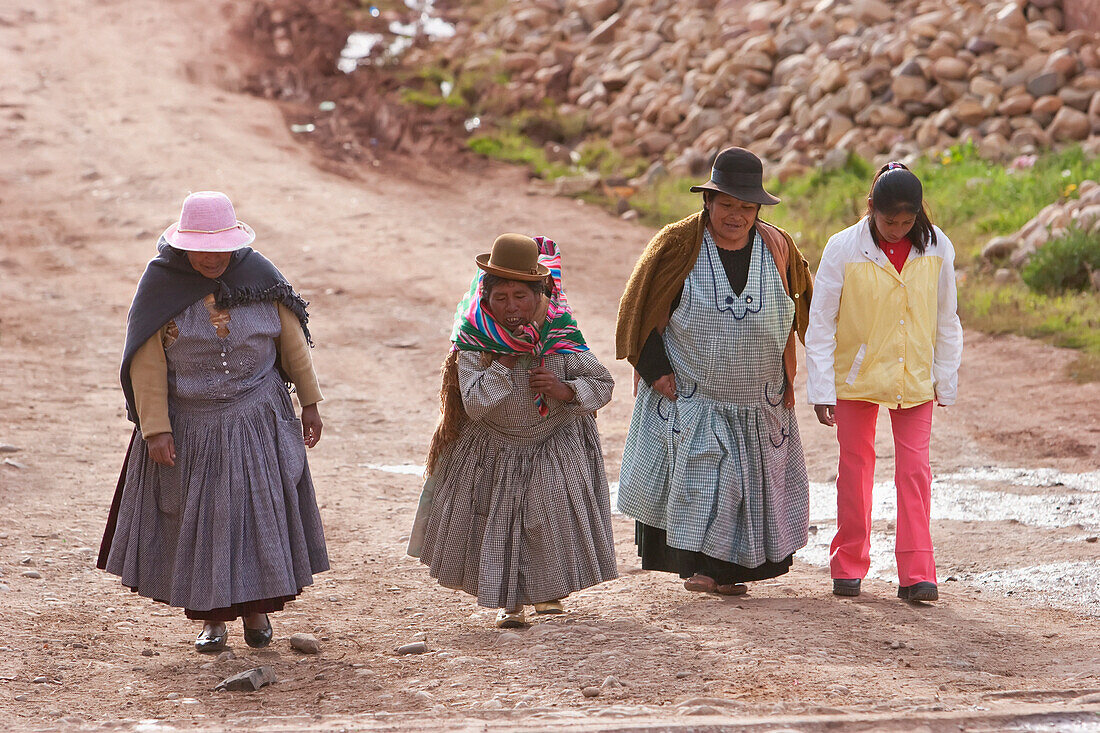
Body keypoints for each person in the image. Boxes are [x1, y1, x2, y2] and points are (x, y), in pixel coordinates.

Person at [97, 191, 329, 651]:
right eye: (201, 248)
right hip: (193, 428)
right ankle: (213, 621)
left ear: (235, 243)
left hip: (257, 421)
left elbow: (292, 345)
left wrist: (310, 402)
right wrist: (155, 428)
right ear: (184, 246)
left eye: (220, 247)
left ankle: (257, 611)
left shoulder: (260, 278)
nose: (212, 258)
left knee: (259, 515)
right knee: (206, 523)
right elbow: (147, 366)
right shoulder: (161, 287)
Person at [615, 147, 813, 597]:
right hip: (691, 393)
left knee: (744, 489)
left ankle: (726, 573)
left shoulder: (778, 247)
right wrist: (655, 370)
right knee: (710, 480)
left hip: (757, 400)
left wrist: (808, 377)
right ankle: (704, 569)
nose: (736, 215)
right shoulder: (676, 245)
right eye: (727, 204)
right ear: (708, 201)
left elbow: (806, 308)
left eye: (746, 207)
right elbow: (639, 310)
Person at [410, 233, 618, 628]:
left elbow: (602, 384)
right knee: (499, 519)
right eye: (500, 297)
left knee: (545, 509)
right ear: (484, 295)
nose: (511, 307)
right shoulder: (474, 340)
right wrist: (504, 362)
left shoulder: (560, 332)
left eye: (520, 296)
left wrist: (564, 390)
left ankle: (548, 592)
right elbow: (473, 403)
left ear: (540, 293)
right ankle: (511, 601)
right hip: (493, 444)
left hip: (553, 438)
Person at [805, 162, 963, 603]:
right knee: (855, 470)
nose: (897, 230)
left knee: (915, 473)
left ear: (919, 214)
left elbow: (947, 318)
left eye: (907, 221)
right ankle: (848, 564)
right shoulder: (842, 248)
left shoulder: (937, 248)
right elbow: (821, 323)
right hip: (856, 379)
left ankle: (918, 573)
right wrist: (821, 389)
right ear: (870, 208)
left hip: (914, 377)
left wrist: (944, 379)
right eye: (888, 221)